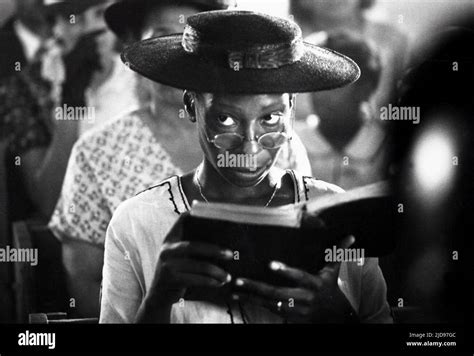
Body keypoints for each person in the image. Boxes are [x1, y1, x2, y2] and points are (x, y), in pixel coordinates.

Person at [99, 10, 392, 323]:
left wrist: (336, 314)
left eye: (270, 118)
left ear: (291, 108)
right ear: (191, 106)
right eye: (225, 119)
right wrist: (158, 301)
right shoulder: (138, 221)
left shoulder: (339, 219)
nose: (250, 146)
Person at [48, 0, 311, 318]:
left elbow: (304, 238)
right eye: (164, 34)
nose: (183, 51)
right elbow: (86, 283)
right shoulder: (97, 152)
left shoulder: (281, 144)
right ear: (134, 43)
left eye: (191, 39)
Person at [295, 31, 388, 189]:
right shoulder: (293, 144)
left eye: (333, 85)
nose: (320, 95)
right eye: (316, 82)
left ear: (364, 89)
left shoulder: (384, 148)